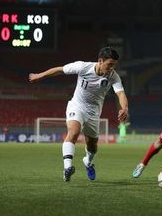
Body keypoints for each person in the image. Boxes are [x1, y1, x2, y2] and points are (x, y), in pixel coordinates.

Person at [29, 47, 128, 182]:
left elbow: (121, 93)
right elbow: (60, 69)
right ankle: (67, 168)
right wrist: (39, 75)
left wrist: (125, 108)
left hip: (94, 113)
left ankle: (87, 162)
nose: (111, 68)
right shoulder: (82, 67)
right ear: (100, 61)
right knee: (74, 132)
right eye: (109, 64)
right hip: (77, 106)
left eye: (114, 65)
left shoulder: (113, 76)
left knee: (92, 145)